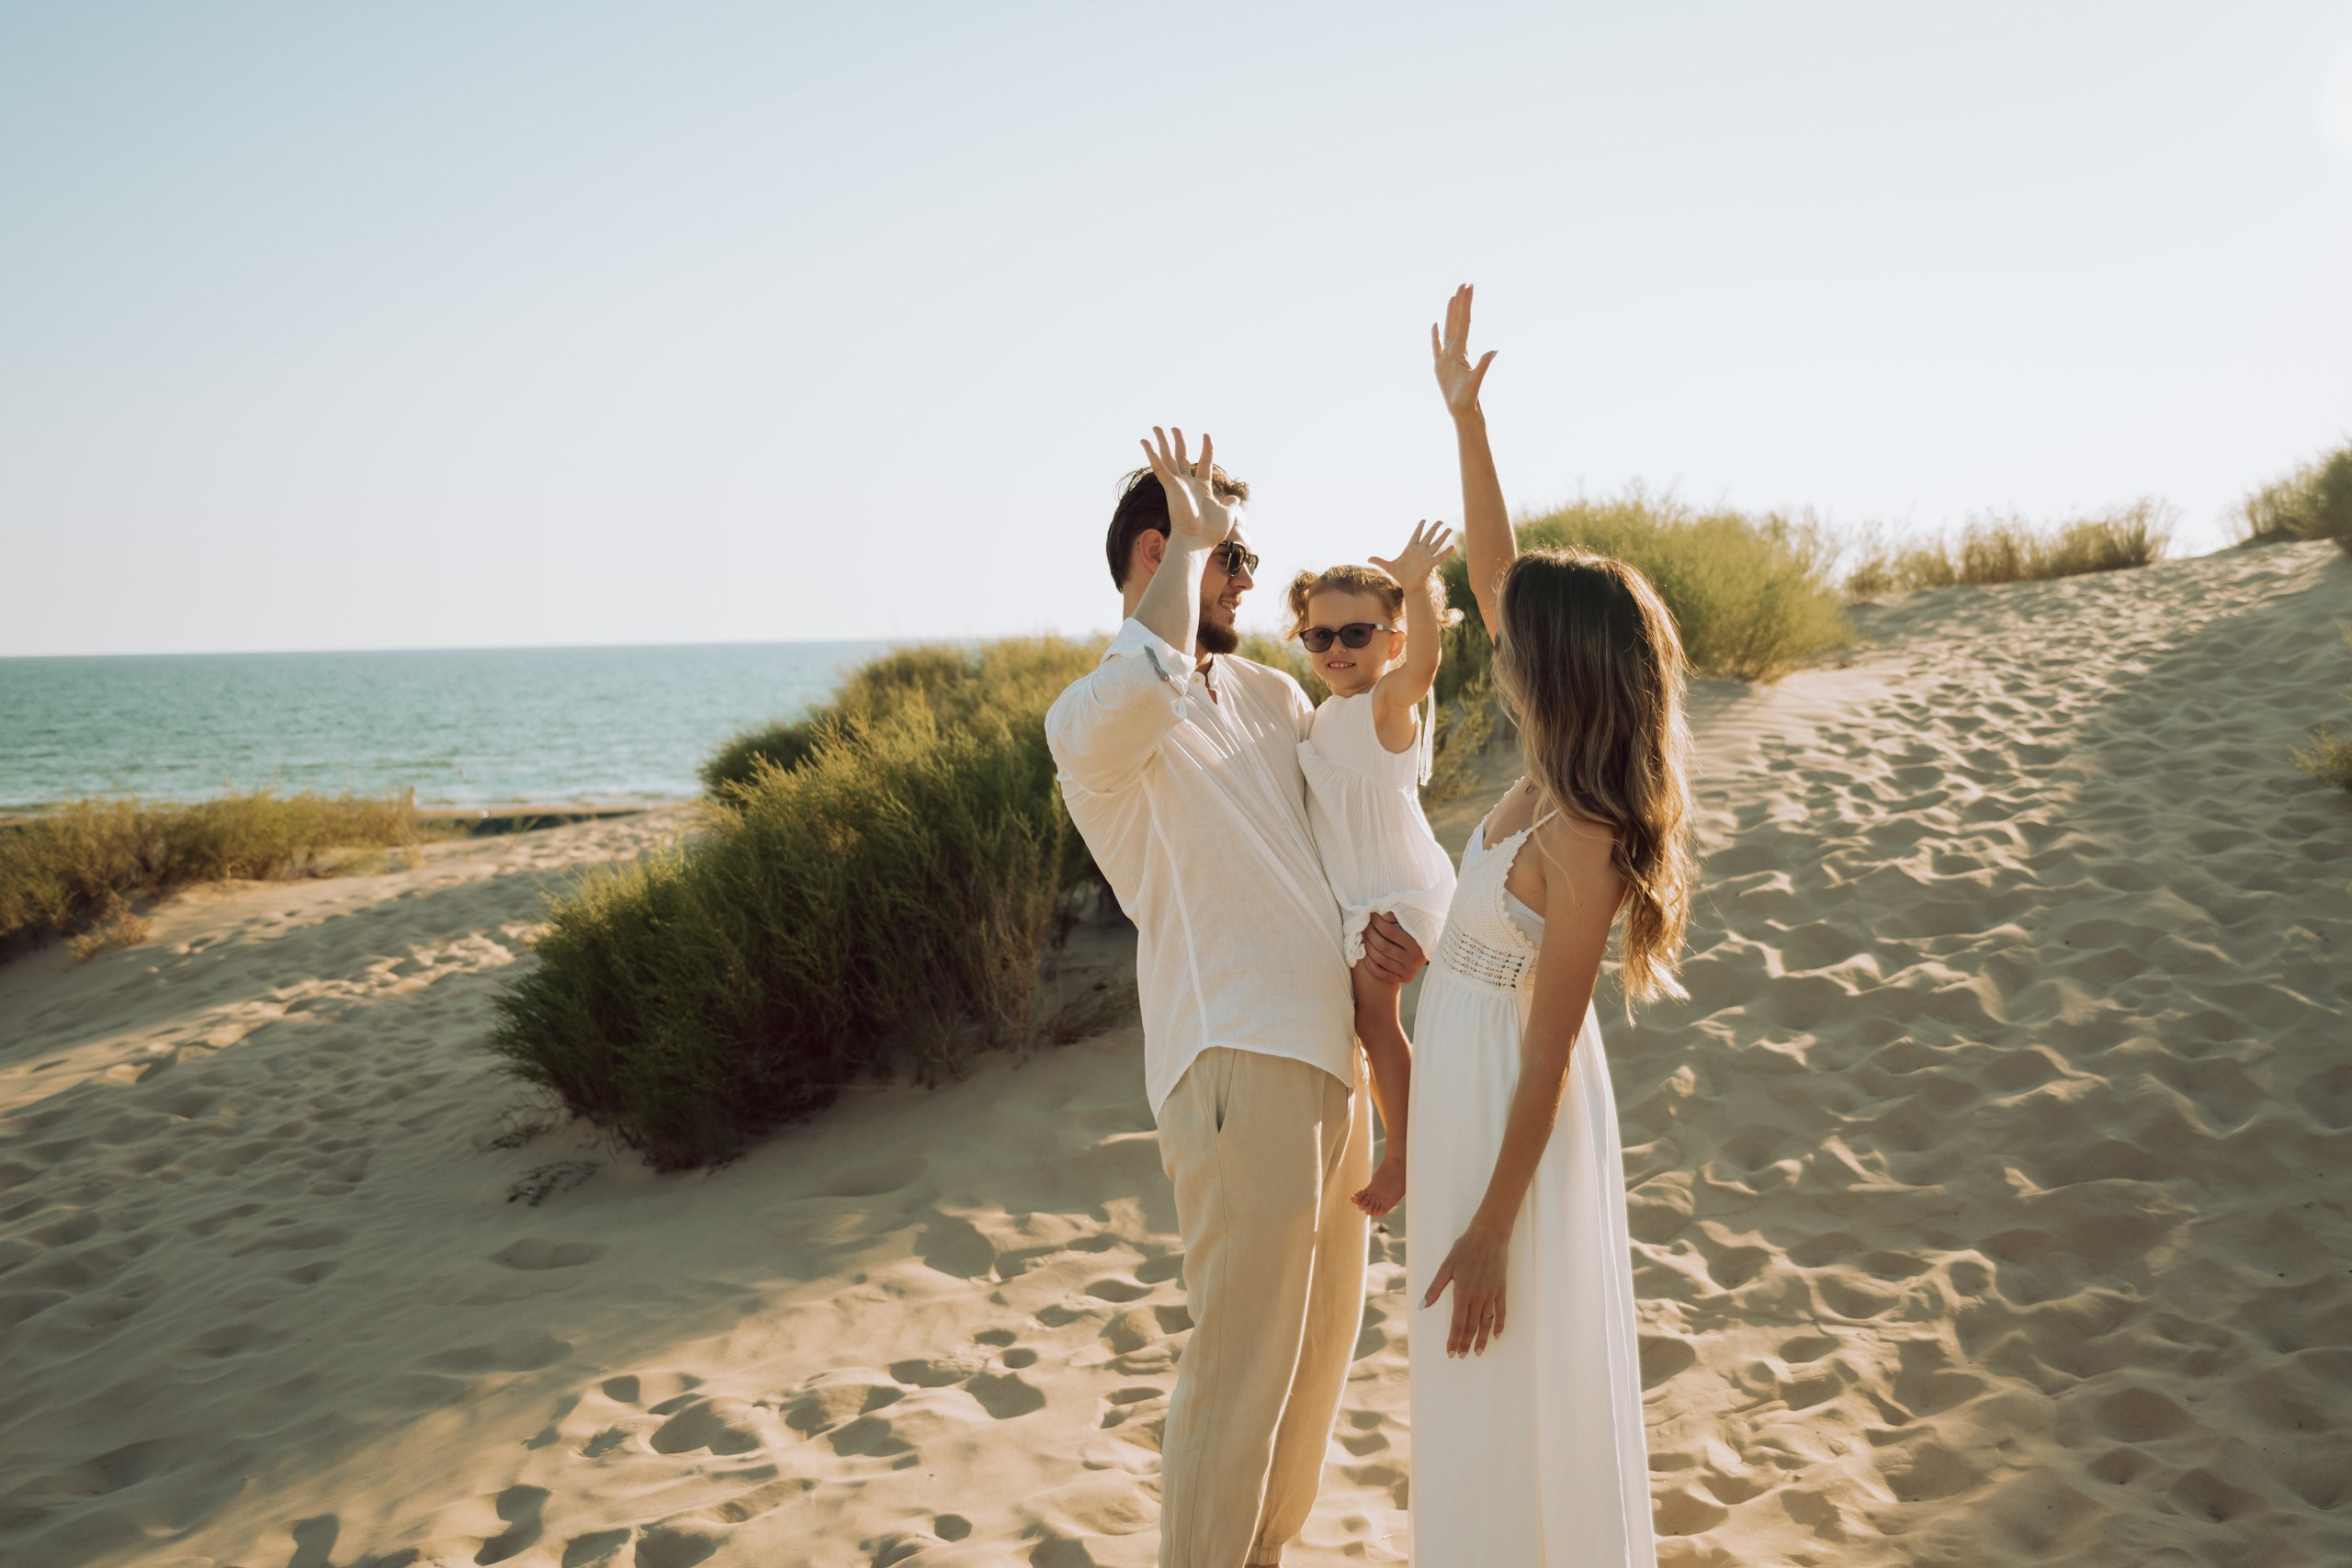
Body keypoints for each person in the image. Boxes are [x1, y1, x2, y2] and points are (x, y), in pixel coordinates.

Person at [1044, 429, 1427, 1568]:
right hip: (1232, 1059)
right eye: (1229, 555)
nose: (1252, 580)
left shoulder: (1266, 693)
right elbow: (1142, 684)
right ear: (1160, 553)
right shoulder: (1093, 718)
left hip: (1333, 1062)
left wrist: (1382, 932)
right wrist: (1190, 549)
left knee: (1315, 1365)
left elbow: (1360, 792)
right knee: (1241, 1363)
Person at [1408, 285, 1697, 1565]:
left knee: (1512, 1367)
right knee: (1471, 1384)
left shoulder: (1585, 834)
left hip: (1514, 1117)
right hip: (1466, 1088)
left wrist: (1488, 1220)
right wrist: (1469, 419)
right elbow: (1489, 566)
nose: (1498, 627)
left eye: (1523, 633)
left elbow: (1548, 1045)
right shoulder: (1545, 753)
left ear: (1559, 666)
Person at [1285, 522, 1461, 1217]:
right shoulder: (1322, 715)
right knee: (1369, 1019)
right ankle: (1412, 1138)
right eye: (1319, 635)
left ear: (1389, 641)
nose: (1336, 649)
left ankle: (1405, 1153)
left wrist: (1416, 590)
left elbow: (1423, 671)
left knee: (1373, 1017)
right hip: (1364, 892)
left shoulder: (1385, 706)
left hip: (1396, 887)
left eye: (1356, 634)